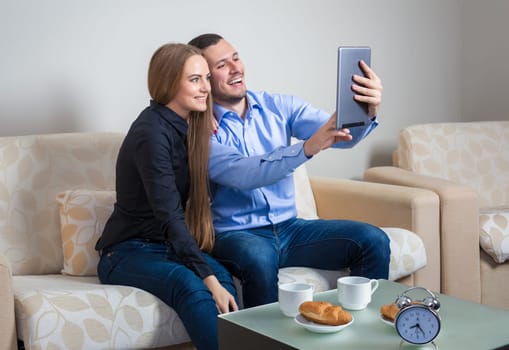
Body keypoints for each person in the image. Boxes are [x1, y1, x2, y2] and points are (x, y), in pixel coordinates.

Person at [188, 33, 390, 308]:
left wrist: (366, 111)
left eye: (236, 58)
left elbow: (345, 136)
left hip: (291, 229)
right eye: (222, 65)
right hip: (237, 234)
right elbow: (244, 174)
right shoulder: (199, 128)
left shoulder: (279, 106)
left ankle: (365, 335)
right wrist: (307, 147)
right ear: (205, 80)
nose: (236, 68)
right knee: (259, 258)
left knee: (372, 240)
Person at [95, 43, 238, 350]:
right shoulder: (151, 133)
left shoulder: (189, 125)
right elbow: (169, 214)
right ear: (170, 83)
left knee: (225, 279)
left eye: (206, 79)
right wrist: (206, 279)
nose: (205, 89)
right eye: (194, 80)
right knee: (196, 287)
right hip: (125, 253)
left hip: (164, 247)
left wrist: (213, 278)